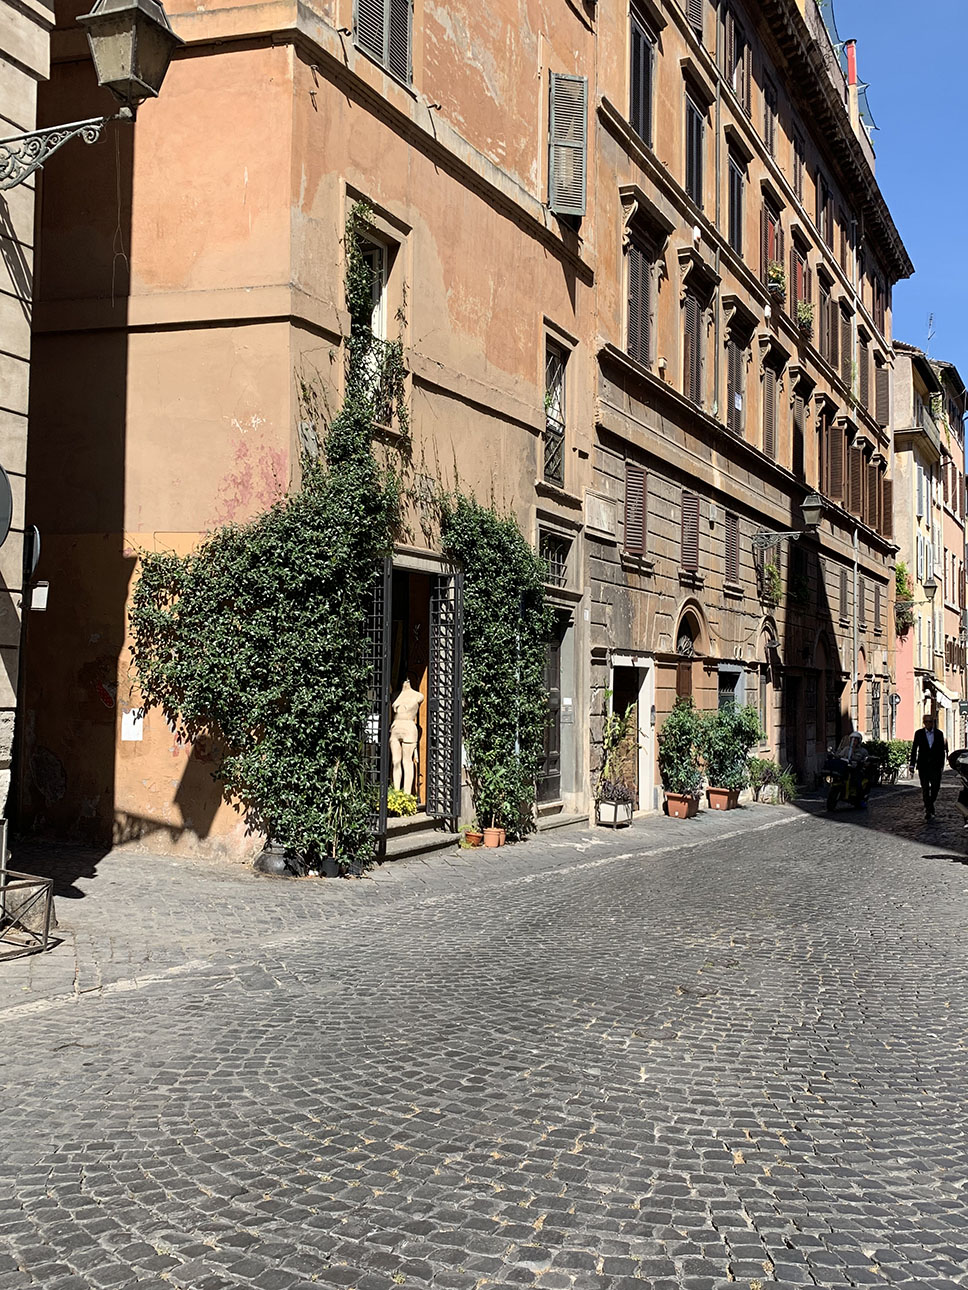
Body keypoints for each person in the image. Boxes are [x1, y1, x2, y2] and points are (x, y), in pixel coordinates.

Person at [910, 712, 947, 819]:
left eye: (930, 721)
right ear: (923, 723)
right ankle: (929, 810)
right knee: (925, 789)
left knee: (936, 788)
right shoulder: (919, 733)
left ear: (933, 722)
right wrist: (912, 764)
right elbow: (914, 749)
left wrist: (942, 765)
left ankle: (929, 805)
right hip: (923, 766)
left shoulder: (939, 734)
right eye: (926, 721)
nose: (928, 723)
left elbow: (942, 751)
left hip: (936, 766)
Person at [833, 730, 869, 803]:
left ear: (859, 741)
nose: (853, 742)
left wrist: (864, 762)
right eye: (852, 739)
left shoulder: (862, 751)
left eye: (855, 740)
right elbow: (840, 755)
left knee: (857, 782)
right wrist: (835, 756)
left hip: (856, 769)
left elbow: (866, 760)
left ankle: (860, 796)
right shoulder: (846, 749)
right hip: (846, 768)